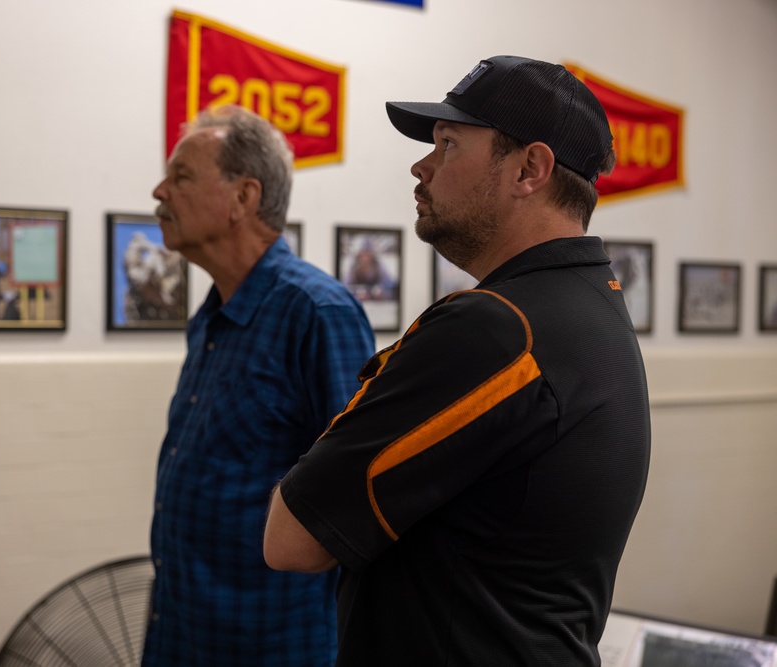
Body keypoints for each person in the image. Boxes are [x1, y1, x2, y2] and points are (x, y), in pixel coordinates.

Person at [264, 55, 652, 666]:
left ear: (530, 168)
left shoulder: (496, 328)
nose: (420, 167)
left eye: (447, 144)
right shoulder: (592, 306)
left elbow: (294, 538)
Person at [141, 105, 375, 667]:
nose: (159, 191)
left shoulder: (316, 311)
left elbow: (356, 496)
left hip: (271, 643)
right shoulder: (213, 316)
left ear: (243, 198)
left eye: (182, 177)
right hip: (182, 629)